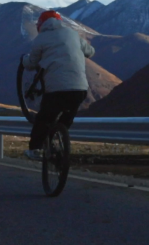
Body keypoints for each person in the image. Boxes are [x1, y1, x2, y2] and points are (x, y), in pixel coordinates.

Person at [22, 10, 95, 159]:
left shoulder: (40, 39)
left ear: (40, 25)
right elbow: (91, 52)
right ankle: (60, 139)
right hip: (80, 89)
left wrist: (24, 59)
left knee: (44, 119)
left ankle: (35, 150)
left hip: (56, 90)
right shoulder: (73, 34)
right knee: (67, 117)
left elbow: (31, 64)